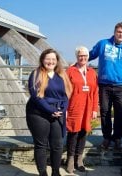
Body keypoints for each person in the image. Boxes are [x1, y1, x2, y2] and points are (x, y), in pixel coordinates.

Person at [89, 22, 122, 150]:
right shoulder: (103, 44)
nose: (121, 34)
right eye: (119, 32)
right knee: (105, 112)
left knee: (120, 114)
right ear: (114, 32)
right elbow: (89, 55)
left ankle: (117, 138)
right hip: (104, 85)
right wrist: (77, 62)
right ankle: (106, 138)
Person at [26, 48, 72, 176]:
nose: (50, 62)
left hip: (57, 113)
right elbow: (36, 96)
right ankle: (43, 173)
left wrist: (62, 110)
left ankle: (56, 172)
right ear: (42, 60)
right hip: (38, 113)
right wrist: (51, 110)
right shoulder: (36, 74)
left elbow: (66, 95)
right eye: (48, 59)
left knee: (57, 145)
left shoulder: (62, 74)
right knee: (41, 145)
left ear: (57, 61)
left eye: (53, 59)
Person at [65, 46, 99, 174]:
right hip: (74, 106)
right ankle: (70, 160)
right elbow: (65, 91)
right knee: (73, 133)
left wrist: (95, 109)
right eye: (80, 55)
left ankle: (79, 160)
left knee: (84, 132)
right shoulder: (70, 71)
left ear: (88, 57)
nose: (83, 58)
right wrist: (65, 108)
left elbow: (95, 92)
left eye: (85, 55)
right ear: (77, 57)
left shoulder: (92, 72)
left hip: (88, 107)